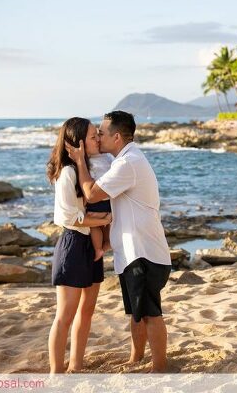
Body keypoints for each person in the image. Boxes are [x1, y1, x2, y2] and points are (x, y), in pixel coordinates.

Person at [66, 110, 172, 373]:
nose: (98, 137)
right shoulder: (125, 160)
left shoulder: (127, 164)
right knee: (136, 312)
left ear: (116, 137)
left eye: (101, 133)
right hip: (133, 252)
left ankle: (160, 368)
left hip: (143, 253)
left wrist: (80, 162)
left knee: (149, 312)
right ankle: (136, 358)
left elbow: (90, 194)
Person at [46, 117, 112, 374]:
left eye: (98, 134)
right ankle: (55, 373)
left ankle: (76, 365)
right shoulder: (68, 173)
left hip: (89, 243)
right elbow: (66, 217)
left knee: (87, 312)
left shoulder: (93, 168)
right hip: (73, 245)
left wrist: (104, 219)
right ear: (78, 142)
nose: (98, 139)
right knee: (64, 316)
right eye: (94, 136)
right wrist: (104, 218)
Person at [86, 152, 113, 261]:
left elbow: (88, 181)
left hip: (97, 197)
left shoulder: (90, 159)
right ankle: (108, 242)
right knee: (106, 224)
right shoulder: (109, 156)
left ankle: (98, 249)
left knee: (94, 225)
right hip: (109, 197)